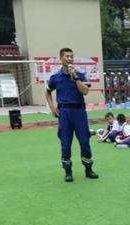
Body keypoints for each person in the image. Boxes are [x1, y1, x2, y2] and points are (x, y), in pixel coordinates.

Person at [45, 47, 99, 182]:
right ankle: (68, 171)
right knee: (65, 143)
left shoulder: (80, 75)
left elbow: (85, 91)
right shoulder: (55, 77)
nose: (70, 59)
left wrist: (75, 77)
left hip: (79, 112)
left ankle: (88, 169)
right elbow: (48, 92)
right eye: (67, 56)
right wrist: (52, 107)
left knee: (85, 142)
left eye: (71, 56)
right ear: (61, 58)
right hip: (64, 113)